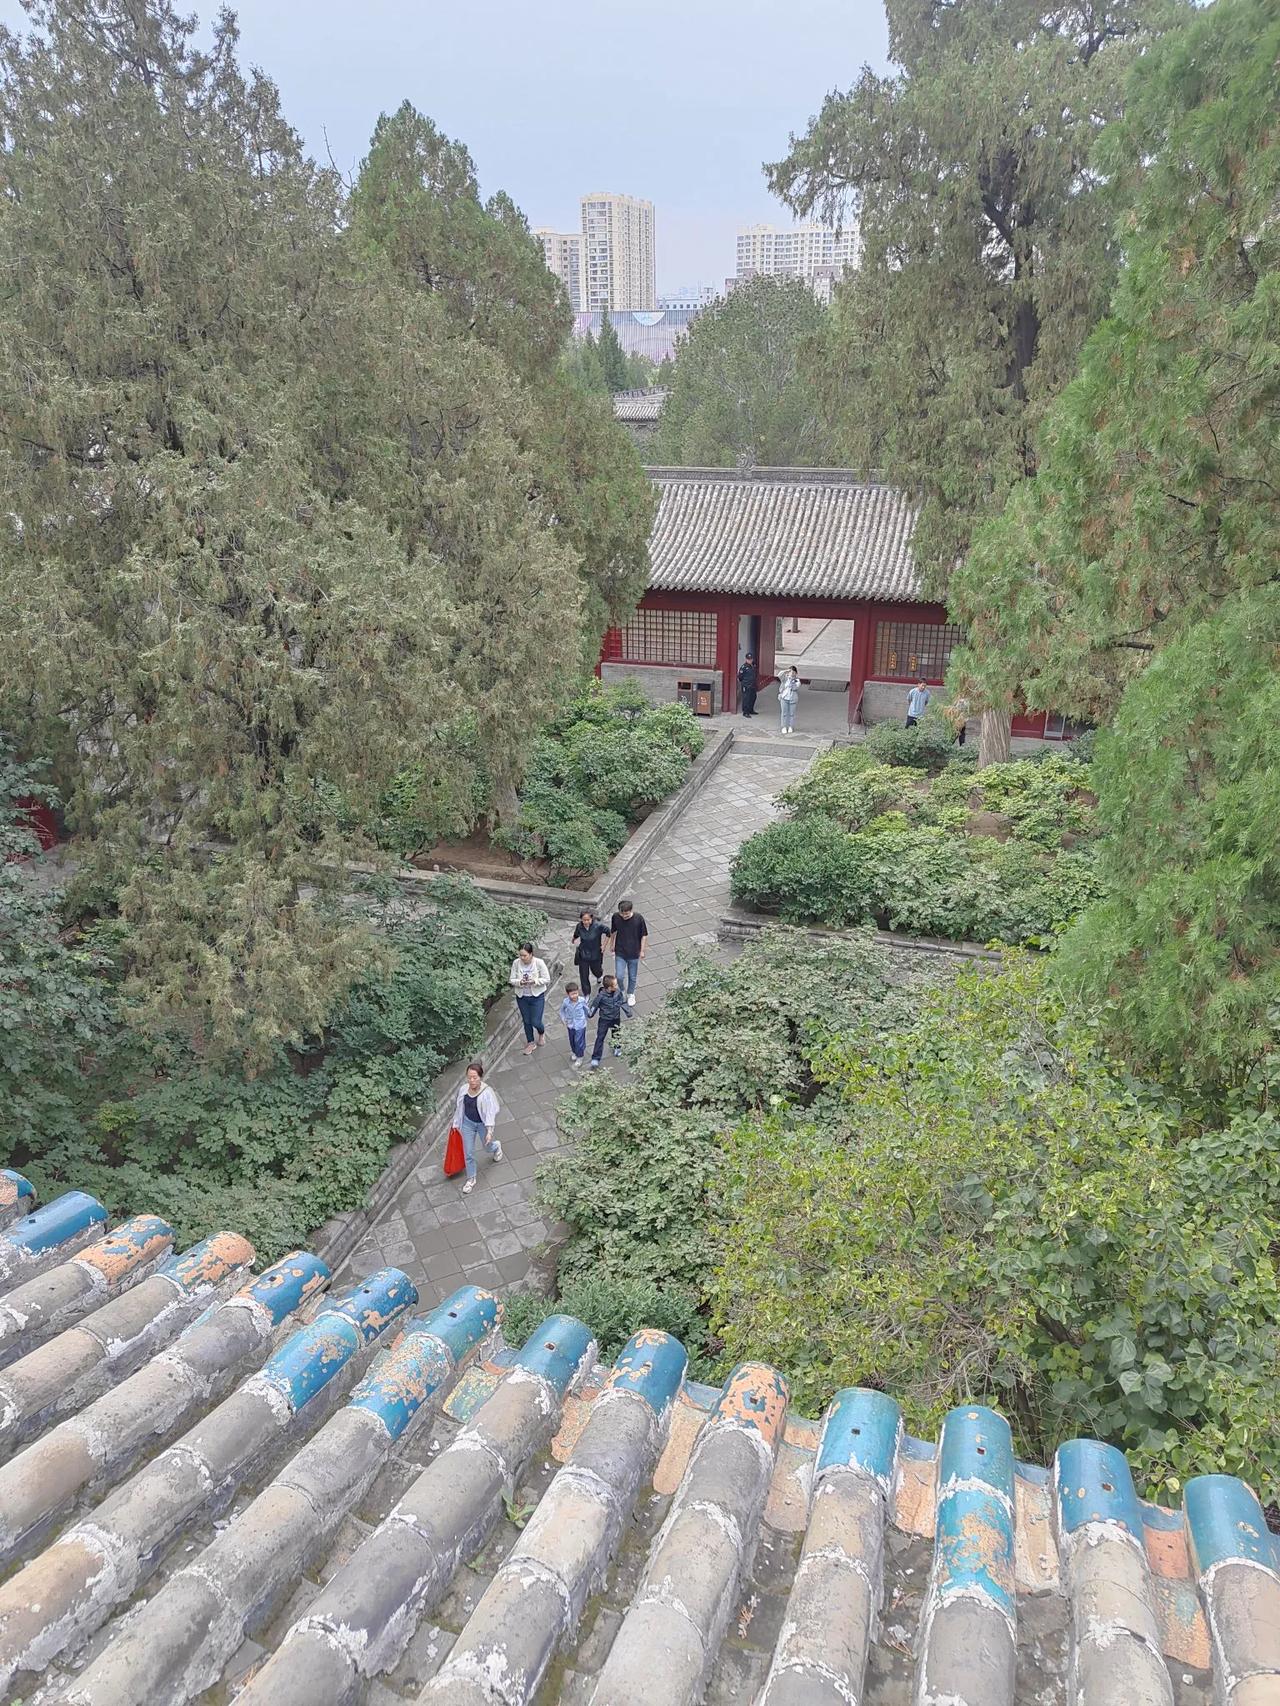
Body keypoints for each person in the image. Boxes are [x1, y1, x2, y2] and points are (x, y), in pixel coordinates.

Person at [453, 1059, 501, 1195]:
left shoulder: (486, 1093)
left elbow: (491, 1112)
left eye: (474, 1077)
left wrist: (489, 1131)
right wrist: (456, 1123)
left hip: (482, 1124)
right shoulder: (463, 1089)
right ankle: (471, 1178)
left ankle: (496, 1146)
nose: (472, 1080)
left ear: (480, 1077)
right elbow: (459, 1107)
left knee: (487, 1147)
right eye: (469, 1077)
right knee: (468, 1152)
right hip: (467, 1123)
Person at [509, 942, 551, 1056]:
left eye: (525, 955)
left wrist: (535, 981)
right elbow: (512, 979)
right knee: (526, 1021)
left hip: (537, 996)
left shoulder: (539, 963)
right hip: (522, 997)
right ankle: (530, 1042)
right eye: (520, 955)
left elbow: (547, 979)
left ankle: (541, 1032)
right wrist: (520, 982)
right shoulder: (516, 963)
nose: (522, 958)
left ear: (531, 954)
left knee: (536, 1021)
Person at [608, 898, 648, 1007]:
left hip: (634, 952)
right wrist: (611, 944)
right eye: (622, 913)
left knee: (632, 976)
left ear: (631, 910)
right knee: (619, 976)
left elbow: (644, 935)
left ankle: (630, 994)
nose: (624, 916)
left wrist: (642, 950)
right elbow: (613, 931)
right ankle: (621, 990)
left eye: (627, 914)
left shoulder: (638, 919)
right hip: (620, 951)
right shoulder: (616, 917)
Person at [587, 974, 631, 1067]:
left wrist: (628, 1012)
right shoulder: (600, 996)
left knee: (616, 1034)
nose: (617, 986)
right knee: (600, 1037)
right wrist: (590, 1014)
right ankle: (595, 1058)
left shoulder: (617, 993)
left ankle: (617, 1047)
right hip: (604, 1019)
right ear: (609, 987)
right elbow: (594, 1005)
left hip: (615, 1018)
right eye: (615, 985)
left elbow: (622, 1001)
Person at [570, 907, 608, 996]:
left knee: (596, 970)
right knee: (583, 975)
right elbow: (576, 934)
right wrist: (573, 939)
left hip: (595, 953)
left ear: (591, 919)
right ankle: (586, 993)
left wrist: (604, 945)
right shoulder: (579, 926)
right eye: (584, 920)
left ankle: (599, 975)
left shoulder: (598, 926)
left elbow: (608, 933)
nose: (586, 922)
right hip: (583, 953)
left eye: (588, 920)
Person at [559, 981, 590, 1067]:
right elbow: (562, 1011)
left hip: (580, 1025)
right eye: (572, 994)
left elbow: (586, 1010)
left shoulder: (582, 1000)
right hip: (571, 1025)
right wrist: (563, 1019)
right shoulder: (566, 1002)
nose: (574, 996)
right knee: (572, 1040)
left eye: (576, 993)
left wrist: (586, 1018)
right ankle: (575, 1052)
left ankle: (580, 1056)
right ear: (568, 994)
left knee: (578, 1041)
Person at [778, 665, 800, 735]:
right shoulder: (785, 678)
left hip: (792, 699)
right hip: (784, 698)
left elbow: (795, 687)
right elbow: (779, 675)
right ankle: (784, 727)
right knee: (784, 713)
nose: (792, 673)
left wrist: (792, 680)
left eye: (793, 672)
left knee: (791, 714)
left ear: (796, 673)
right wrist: (786, 671)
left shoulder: (797, 680)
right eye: (791, 672)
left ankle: (791, 726)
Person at [738, 651, 758, 717]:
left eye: (751, 659)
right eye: (749, 659)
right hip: (746, 685)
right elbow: (740, 677)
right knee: (746, 699)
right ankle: (745, 712)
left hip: (752, 685)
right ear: (746, 659)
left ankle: (751, 710)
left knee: (753, 697)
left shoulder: (753, 665)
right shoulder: (743, 667)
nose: (750, 660)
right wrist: (745, 682)